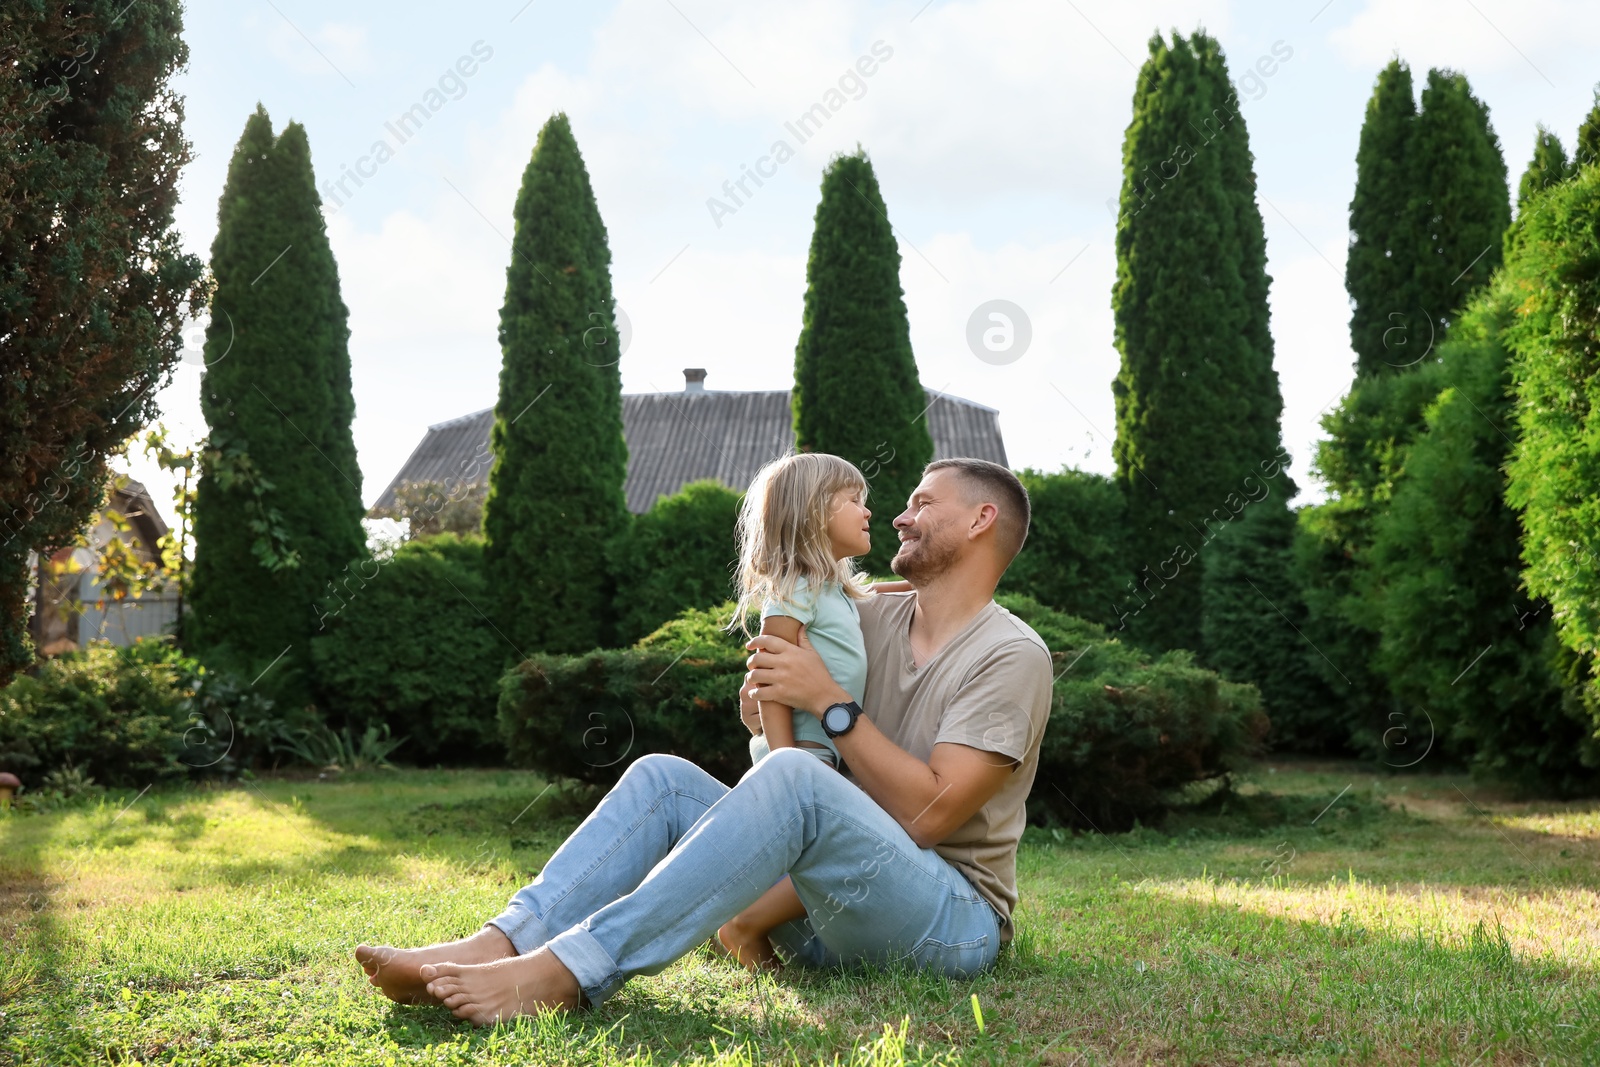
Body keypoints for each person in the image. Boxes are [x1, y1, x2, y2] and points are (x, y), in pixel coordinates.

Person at [354, 458, 1053, 1025]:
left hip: (947, 925)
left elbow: (931, 816)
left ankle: (565, 972)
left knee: (797, 780)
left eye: (923, 502)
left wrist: (827, 702)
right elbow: (803, 730)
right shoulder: (866, 618)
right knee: (664, 777)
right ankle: (497, 942)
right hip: (821, 918)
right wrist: (768, 711)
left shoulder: (1010, 655)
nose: (901, 514)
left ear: (981, 518)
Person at [714, 452, 905, 969]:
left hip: (818, 751)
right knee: (843, 850)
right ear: (814, 513)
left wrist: (923, 586)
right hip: (801, 753)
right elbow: (770, 683)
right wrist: (786, 764)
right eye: (853, 501)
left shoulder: (831, 588)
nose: (868, 512)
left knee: (838, 847)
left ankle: (737, 918)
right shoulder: (794, 588)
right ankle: (740, 923)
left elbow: (871, 593)